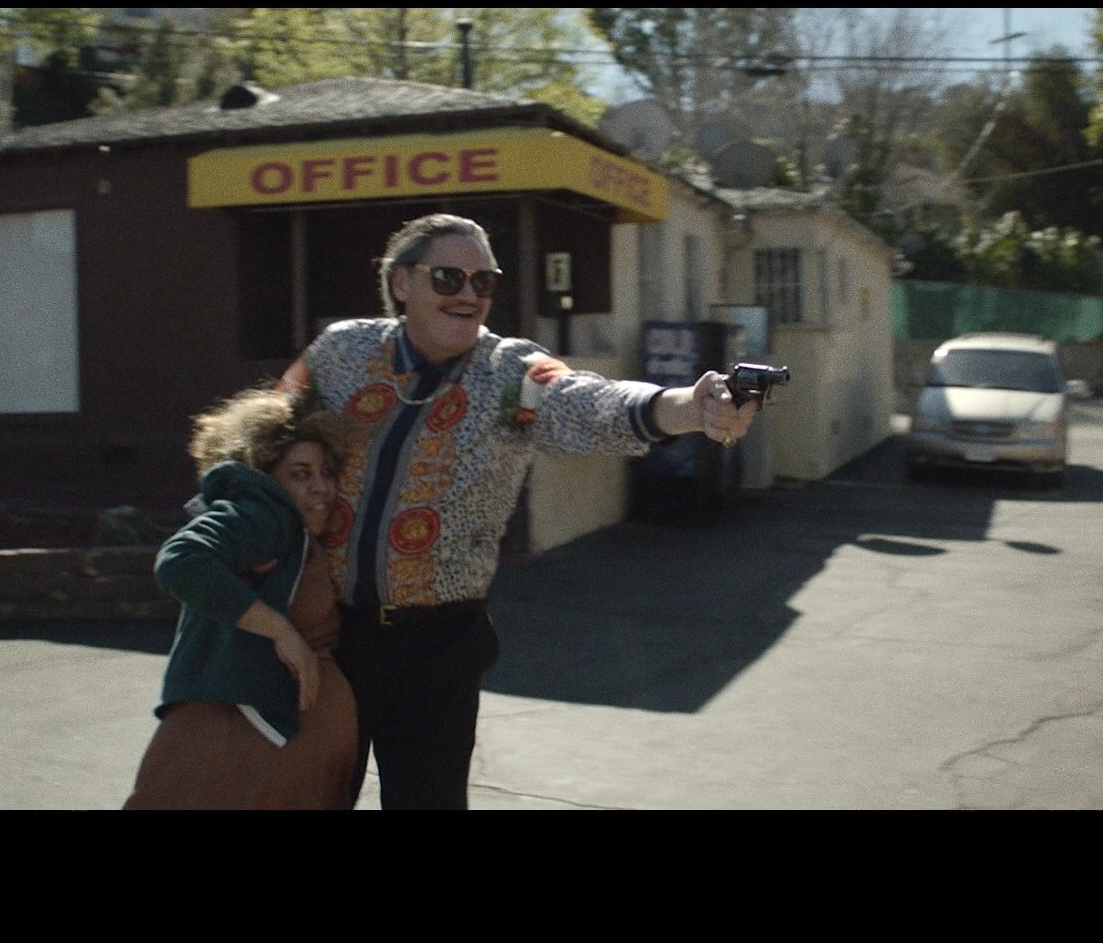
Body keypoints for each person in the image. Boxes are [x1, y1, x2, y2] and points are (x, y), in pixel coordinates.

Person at [277, 212, 758, 809]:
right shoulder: (341, 350)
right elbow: (266, 427)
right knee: (311, 797)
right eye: (449, 278)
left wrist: (687, 406)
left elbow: (589, 403)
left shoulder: (512, 374)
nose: (469, 295)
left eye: (484, 281)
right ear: (402, 282)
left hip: (438, 646)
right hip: (327, 632)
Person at [122, 385, 361, 810]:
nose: (321, 487)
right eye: (301, 474)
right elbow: (181, 561)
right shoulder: (264, 513)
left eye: (326, 473)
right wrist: (282, 632)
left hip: (279, 738)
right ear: (264, 474)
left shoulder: (292, 529)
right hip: (241, 735)